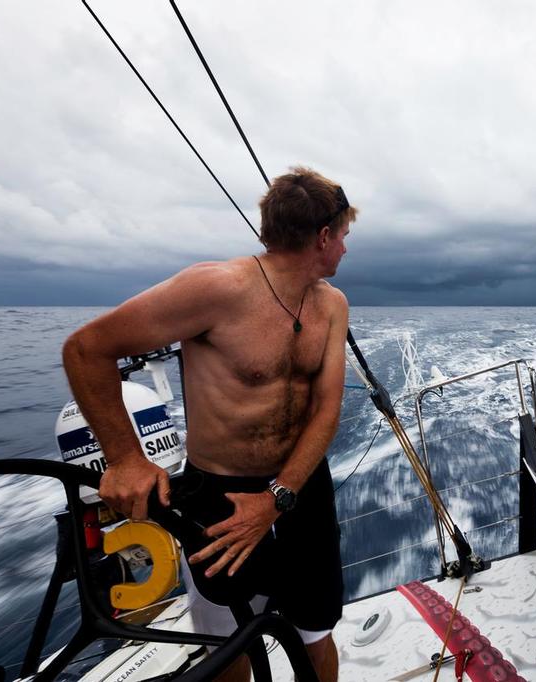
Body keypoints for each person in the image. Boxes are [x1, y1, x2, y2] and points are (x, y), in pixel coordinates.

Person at [62, 166, 355, 682]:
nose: (346, 252)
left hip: (300, 489)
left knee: (315, 632)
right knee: (227, 641)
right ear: (324, 236)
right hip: (218, 498)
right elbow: (86, 349)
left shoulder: (332, 306)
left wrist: (277, 498)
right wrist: (128, 458)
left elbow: (326, 409)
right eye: (345, 237)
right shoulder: (216, 288)